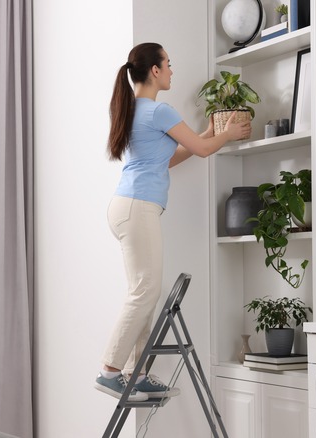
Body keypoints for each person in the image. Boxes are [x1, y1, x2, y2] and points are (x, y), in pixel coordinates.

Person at [95, 42, 251, 402]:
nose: (171, 70)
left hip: (128, 206)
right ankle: (110, 371)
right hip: (138, 208)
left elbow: (170, 159)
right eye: (168, 64)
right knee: (145, 291)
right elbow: (202, 150)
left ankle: (137, 372)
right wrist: (227, 133)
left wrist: (210, 132)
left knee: (145, 292)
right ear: (154, 71)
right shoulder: (158, 111)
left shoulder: (132, 109)